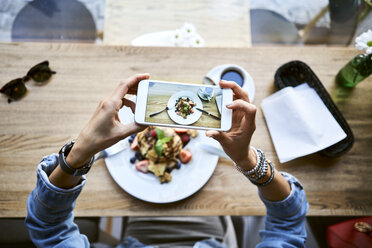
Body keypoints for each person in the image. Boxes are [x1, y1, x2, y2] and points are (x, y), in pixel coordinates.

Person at [25, 74, 309, 248]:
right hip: (211, 233)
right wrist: (247, 161)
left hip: (138, 233)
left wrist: (79, 154)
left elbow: (49, 228)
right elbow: (288, 225)